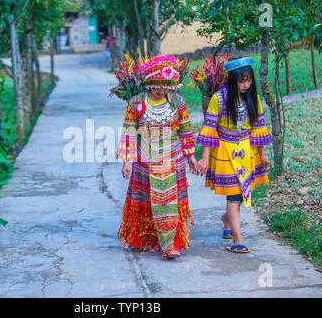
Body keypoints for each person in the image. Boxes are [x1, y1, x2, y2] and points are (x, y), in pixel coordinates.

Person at [117, 55, 197, 260]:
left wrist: (191, 158)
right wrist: (127, 161)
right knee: (148, 200)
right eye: (156, 85)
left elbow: (186, 130)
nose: (161, 89)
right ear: (149, 83)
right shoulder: (136, 103)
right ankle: (150, 238)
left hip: (173, 160)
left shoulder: (177, 101)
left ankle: (171, 244)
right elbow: (128, 131)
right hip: (145, 162)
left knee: (170, 200)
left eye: (165, 84)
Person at [194, 56, 273, 253]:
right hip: (225, 151)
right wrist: (204, 158)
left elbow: (258, 128)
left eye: (249, 80)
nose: (246, 85)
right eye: (242, 81)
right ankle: (238, 241)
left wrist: (262, 155)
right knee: (235, 196)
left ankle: (227, 220)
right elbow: (209, 128)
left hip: (247, 151)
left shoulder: (253, 99)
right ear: (233, 80)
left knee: (239, 191)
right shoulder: (218, 99)